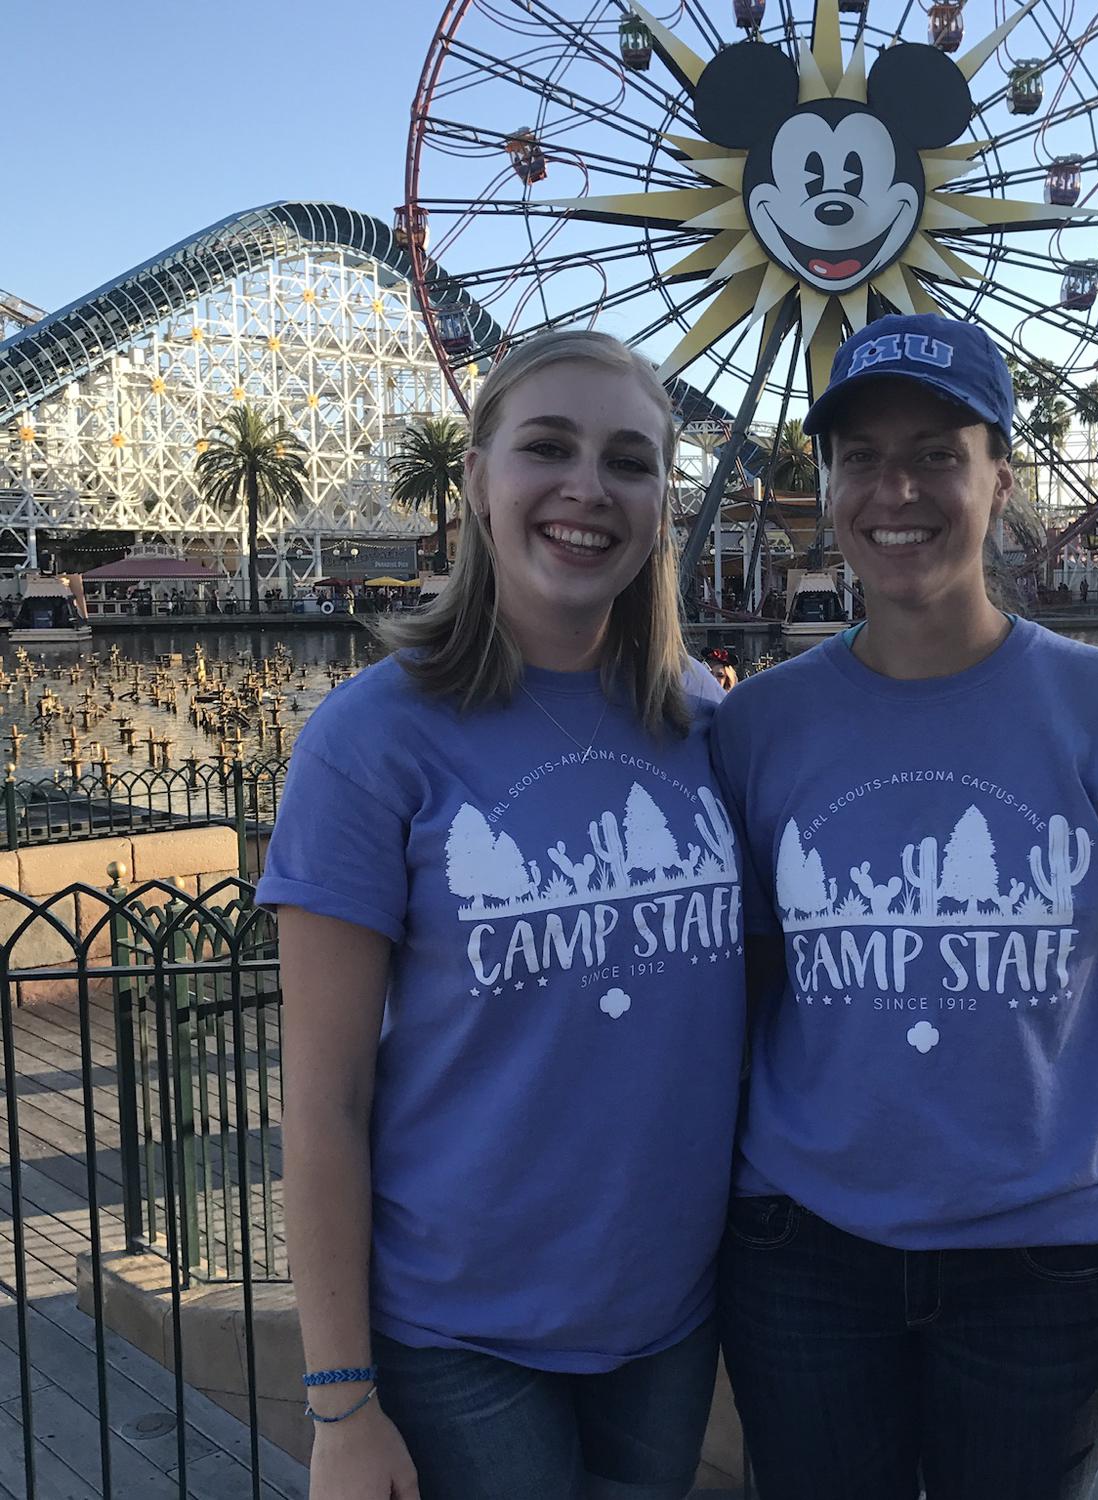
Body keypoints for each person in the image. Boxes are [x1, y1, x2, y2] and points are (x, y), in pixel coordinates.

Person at [710, 313, 1098, 1500]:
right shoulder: (756, 730)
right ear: (829, 484)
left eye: (936, 454)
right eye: (861, 457)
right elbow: (746, 1005)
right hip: (803, 1254)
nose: (895, 489)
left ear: (1000, 478)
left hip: (1043, 1262)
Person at [257, 329, 747, 1500]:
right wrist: (340, 1401)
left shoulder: (700, 721)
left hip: (668, 1317)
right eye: (548, 448)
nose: (588, 488)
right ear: (475, 480)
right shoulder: (372, 740)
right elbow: (324, 1097)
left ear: (660, 502)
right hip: (463, 1333)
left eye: (629, 461)